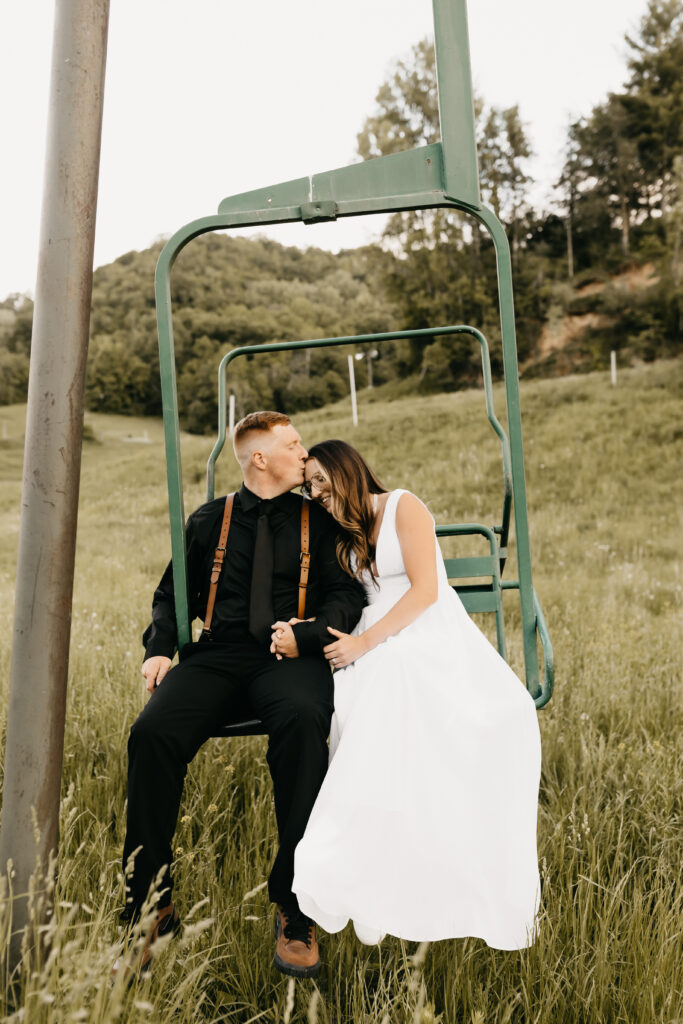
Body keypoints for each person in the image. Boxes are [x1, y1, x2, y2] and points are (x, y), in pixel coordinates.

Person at [116, 413, 365, 981]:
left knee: (304, 720)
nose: (305, 453)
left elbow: (345, 595)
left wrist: (306, 635)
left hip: (287, 657)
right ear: (260, 458)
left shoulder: (317, 521)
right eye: (294, 444)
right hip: (220, 655)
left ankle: (295, 906)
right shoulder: (210, 520)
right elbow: (170, 594)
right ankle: (149, 906)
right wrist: (160, 646)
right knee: (151, 734)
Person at [282, 440, 542, 950]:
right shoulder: (342, 533)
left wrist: (364, 643)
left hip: (425, 630)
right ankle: (363, 854)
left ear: (346, 470)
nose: (315, 493)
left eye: (319, 481)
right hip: (371, 640)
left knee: (406, 678)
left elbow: (425, 591)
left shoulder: (403, 505)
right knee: (358, 694)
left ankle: (436, 852)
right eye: (307, 486)